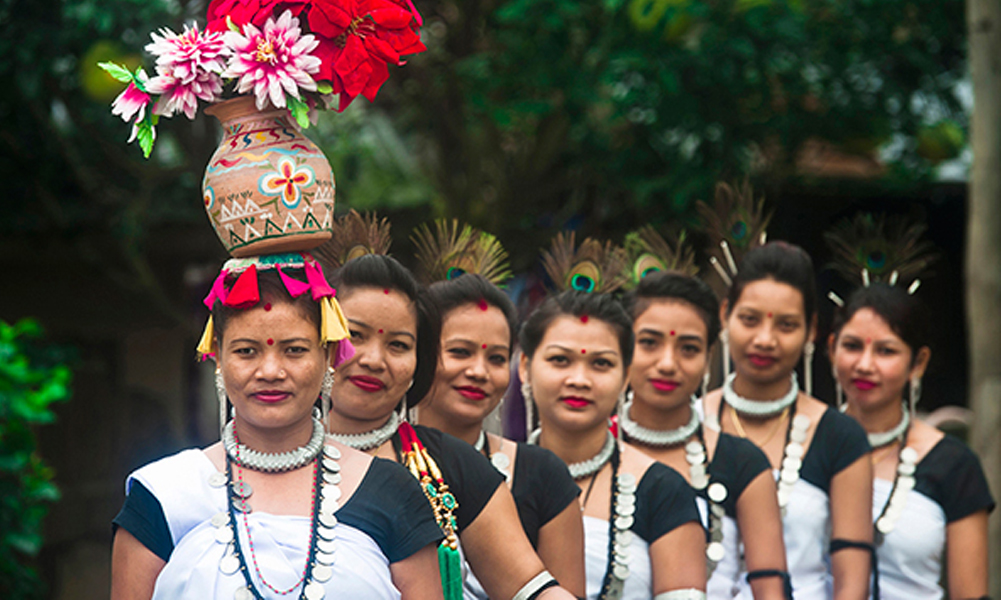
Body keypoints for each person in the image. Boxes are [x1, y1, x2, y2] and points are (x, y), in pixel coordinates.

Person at [110, 254, 445, 600]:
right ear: (218, 359)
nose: (270, 371)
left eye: (295, 350)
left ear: (328, 356)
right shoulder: (164, 496)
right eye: (246, 351)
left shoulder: (392, 491)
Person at [324, 254, 576, 600]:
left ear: (420, 361)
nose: (373, 360)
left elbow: (533, 590)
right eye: (354, 335)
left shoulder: (455, 466)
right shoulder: (254, 456)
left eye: (398, 345)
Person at [702, 242, 873, 600]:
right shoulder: (689, 422)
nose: (765, 340)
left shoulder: (840, 437)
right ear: (724, 315)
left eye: (786, 325)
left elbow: (852, 581)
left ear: (811, 329)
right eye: (749, 319)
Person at [520, 290, 706, 600]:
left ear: (624, 377)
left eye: (601, 363)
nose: (579, 379)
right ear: (525, 366)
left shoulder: (662, 490)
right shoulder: (489, 475)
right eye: (560, 360)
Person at [417, 273, 587, 598]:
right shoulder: (380, 459)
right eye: (460, 352)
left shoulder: (543, 473)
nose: (479, 371)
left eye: (496, 358)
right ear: (420, 354)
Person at [621, 272, 789, 599]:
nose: (668, 363)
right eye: (649, 343)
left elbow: (770, 590)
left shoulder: (742, 462)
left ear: (709, 356)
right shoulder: (589, 449)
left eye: (688, 348)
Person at [828, 282, 994, 600]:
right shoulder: (803, 446)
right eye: (852, 346)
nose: (865, 364)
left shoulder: (954, 466)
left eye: (885, 351)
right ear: (832, 347)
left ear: (917, 363)